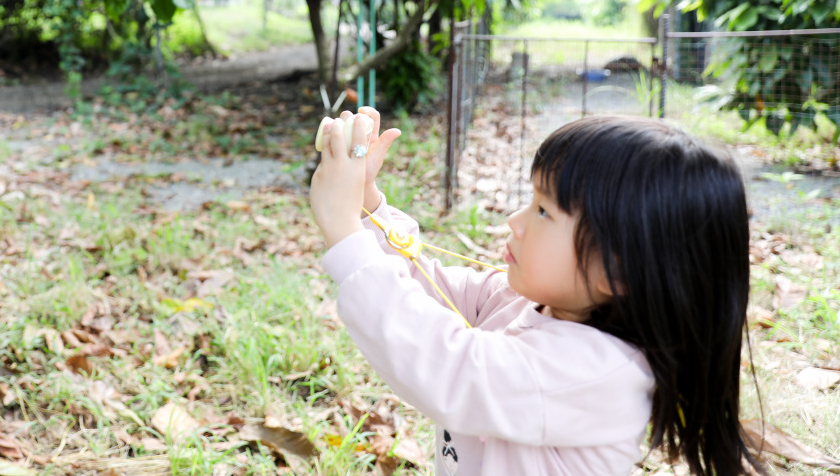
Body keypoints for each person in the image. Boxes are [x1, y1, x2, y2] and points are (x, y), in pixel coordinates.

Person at [310, 109, 763, 476]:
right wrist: (368, 205)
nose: (516, 220)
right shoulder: (536, 303)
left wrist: (345, 233)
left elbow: (451, 369)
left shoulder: (598, 373)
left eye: (544, 211)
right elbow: (428, 290)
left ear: (617, 269)